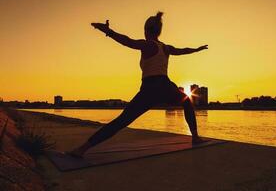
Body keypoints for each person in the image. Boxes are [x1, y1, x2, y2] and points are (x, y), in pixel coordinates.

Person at [70, 12, 208, 157]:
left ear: (146, 30)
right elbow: (182, 51)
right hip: (166, 86)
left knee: (122, 121)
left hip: (150, 88)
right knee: (186, 101)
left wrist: (108, 31)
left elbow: (127, 41)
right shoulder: (166, 47)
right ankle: (195, 137)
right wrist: (197, 49)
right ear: (159, 31)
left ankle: (82, 149)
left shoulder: (147, 44)